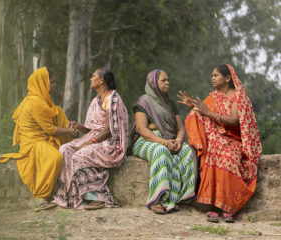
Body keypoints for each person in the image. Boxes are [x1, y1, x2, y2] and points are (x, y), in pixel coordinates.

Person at [178, 64, 262, 223]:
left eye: (216, 75)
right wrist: (193, 107)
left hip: (234, 141)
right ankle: (213, 207)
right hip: (217, 140)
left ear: (228, 78)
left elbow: (235, 120)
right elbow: (202, 113)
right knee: (214, 151)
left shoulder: (237, 96)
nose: (212, 78)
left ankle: (228, 207)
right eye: (212, 75)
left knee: (228, 158)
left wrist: (208, 113)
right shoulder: (213, 97)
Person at [0, 67, 76, 211]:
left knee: (58, 111)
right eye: (51, 82)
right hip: (33, 143)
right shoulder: (34, 102)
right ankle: (40, 196)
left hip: (43, 139)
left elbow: (53, 121)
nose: (54, 85)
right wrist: (69, 131)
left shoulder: (43, 100)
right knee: (55, 158)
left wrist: (70, 128)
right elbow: (50, 129)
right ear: (42, 84)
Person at [52, 68, 128, 210]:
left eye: (93, 76)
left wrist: (89, 143)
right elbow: (90, 128)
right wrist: (78, 125)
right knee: (64, 149)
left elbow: (109, 129)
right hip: (94, 136)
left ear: (101, 81)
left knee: (80, 154)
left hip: (110, 143)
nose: (90, 79)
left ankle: (96, 197)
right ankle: (68, 196)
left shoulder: (113, 99)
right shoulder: (96, 100)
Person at [130, 69, 197, 214]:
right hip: (145, 140)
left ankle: (177, 198)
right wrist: (164, 142)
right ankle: (157, 199)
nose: (167, 83)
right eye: (163, 80)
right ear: (153, 82)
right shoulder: (144, 101)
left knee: (187, 150)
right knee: (161, 151)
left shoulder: (171, 104)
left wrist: (178, 141)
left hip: (169, 140)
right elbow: (142, 129)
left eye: (168, 81)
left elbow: (180, 129)